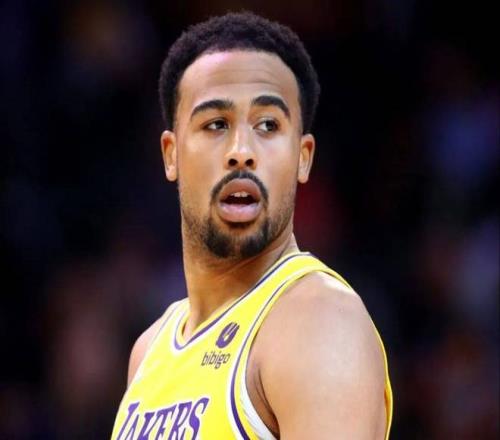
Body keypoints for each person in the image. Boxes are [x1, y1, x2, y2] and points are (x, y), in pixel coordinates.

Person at [111, 12, 392, 440]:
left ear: (303, 158)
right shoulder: (149, 350)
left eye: (267, 125)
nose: (241, 151)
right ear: (171, 154)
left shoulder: (319, 322)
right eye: (216, 124)